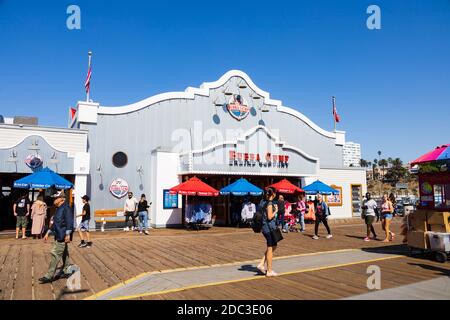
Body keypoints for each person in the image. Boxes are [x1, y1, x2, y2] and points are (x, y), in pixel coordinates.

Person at [39, 192, 74, 284]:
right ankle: (67, 270)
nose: (54, 200)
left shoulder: (66, 208)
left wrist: (68, 234)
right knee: (64, 253)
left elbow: (69, 222)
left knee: (55, 253)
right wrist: (48, 233)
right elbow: (55, 223)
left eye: (56, 198)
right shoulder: (59, 208)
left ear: (62, 199)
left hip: (62, 236)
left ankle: (49, 275)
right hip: (58, 234)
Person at [257, 187, 280, 277]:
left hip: (265, 227)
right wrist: (276, 211)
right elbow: (270, 217)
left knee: (274, 245)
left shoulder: (262, 201)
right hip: (268, 228)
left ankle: (261, 263)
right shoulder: (270, 203)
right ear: (273, 194)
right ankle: (269, 270)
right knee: (270, 248)